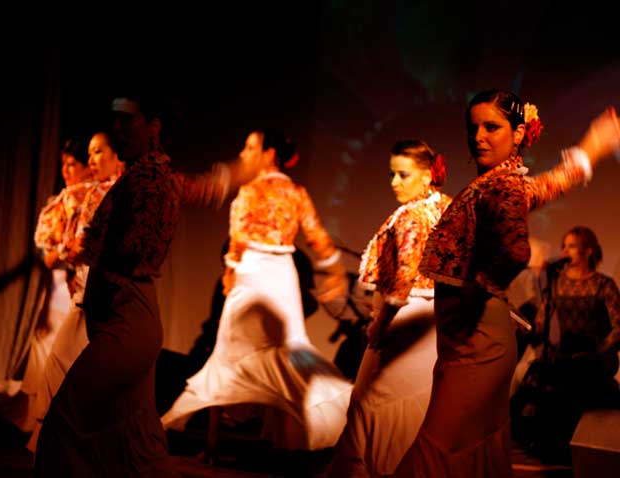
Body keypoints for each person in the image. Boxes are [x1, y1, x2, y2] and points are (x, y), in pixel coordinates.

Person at [34, 97, 272, 477]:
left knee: (64, 427)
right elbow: (202, 188)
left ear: (154, 127)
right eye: (116, 122)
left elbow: (128, 251)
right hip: (129, 317)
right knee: (135, 445)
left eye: (128, 121)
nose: (119, 130)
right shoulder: (145, 175)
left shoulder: (151, 178)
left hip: (127, 319)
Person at [394, 90, 620, 477]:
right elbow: (549, 184)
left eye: (491, 127)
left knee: (440, 444)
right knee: (471, 443)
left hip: (477, 333)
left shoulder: (503, 185)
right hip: (475, 331)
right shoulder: (501, 182)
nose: (478, 136)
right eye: (474, 127)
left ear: (519, 134)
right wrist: (590, 149)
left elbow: (514, 253)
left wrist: (478, 290)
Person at [161, 128, 352, 453]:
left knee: (232, 356)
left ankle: (215, 441)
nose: (244, 153)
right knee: (282, 353)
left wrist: (230, 274)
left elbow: (238, 239)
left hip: (253, 275)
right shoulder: (294, 192)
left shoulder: (249, 190)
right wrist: (334, 269)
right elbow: (317, 237)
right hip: (280, 277)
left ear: (269, 154)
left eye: (251, 148)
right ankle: (287, 440)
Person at [327, 139, 451, 476]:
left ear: (427, 176)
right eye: (392, 174)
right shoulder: (447, 207)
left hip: (406, 318)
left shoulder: (412, 215)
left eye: (403, 174)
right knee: (410, 410)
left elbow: (402, 282)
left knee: (368, 405)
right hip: (436, 322)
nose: (394, 182)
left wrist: (379, 325)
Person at [27, 131, 124, 453]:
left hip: (99, 290)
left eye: (97, 153)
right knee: (63, 363)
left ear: (116, 156)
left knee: (67, 365)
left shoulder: (103, 193)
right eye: (91, 153)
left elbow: (75, 247)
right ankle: (57, 440)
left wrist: (69, 251)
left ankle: (63, 442)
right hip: (84, 287)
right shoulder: (91, 193)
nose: (92, 161)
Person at [513, 226, 620, 460]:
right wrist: (523, 327)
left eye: (571, 246)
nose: (564, 251)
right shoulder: (557, 283)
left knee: (576, 380)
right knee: (542, 379)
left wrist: (599, 351)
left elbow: (619, 327)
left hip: (594, 359)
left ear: (588, 251)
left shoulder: (604, 285)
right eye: (564, 246)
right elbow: (541, 321)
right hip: (565, 356)